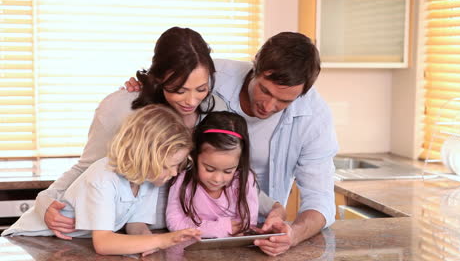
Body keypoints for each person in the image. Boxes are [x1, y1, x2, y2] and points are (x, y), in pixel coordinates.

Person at [38, 26, 284, 241]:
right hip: (115, 234)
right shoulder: (119, 108)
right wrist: (45, 202)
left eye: (201, 89)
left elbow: (233, 169)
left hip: (179, 234)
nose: (191, 100)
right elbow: (86, 169)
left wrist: (273, 206)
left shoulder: (215, 112)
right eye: (178, 90)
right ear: (157, 79)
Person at [126, 31, 339, 256]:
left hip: (250, 235)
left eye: (284, 101)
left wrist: (293, 233)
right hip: (171, 228)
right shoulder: (212, 77)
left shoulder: (314, 117)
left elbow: (320, 199)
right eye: (265, 90)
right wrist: (143, 87)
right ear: (255, 66)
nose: (268, 106)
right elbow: (170, 82)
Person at [2, 105, 201, 256]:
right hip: (28, 241)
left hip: (66, 242)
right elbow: (103, 243)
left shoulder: (149, 178)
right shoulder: (103, 178)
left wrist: (151, 243)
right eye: (168, 166)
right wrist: (162, 240)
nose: (174, 173)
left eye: (177, 165)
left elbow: (136, 226)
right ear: (144, 157)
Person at [166, 111, 258, 238]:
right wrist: (223, 227)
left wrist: (199, 227)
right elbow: (175, 223)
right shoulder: (183, 179)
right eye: (209, 169)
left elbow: (247, 225)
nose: (217, 179)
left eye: (228, 171)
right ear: (195, 154)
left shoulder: (245, 179)